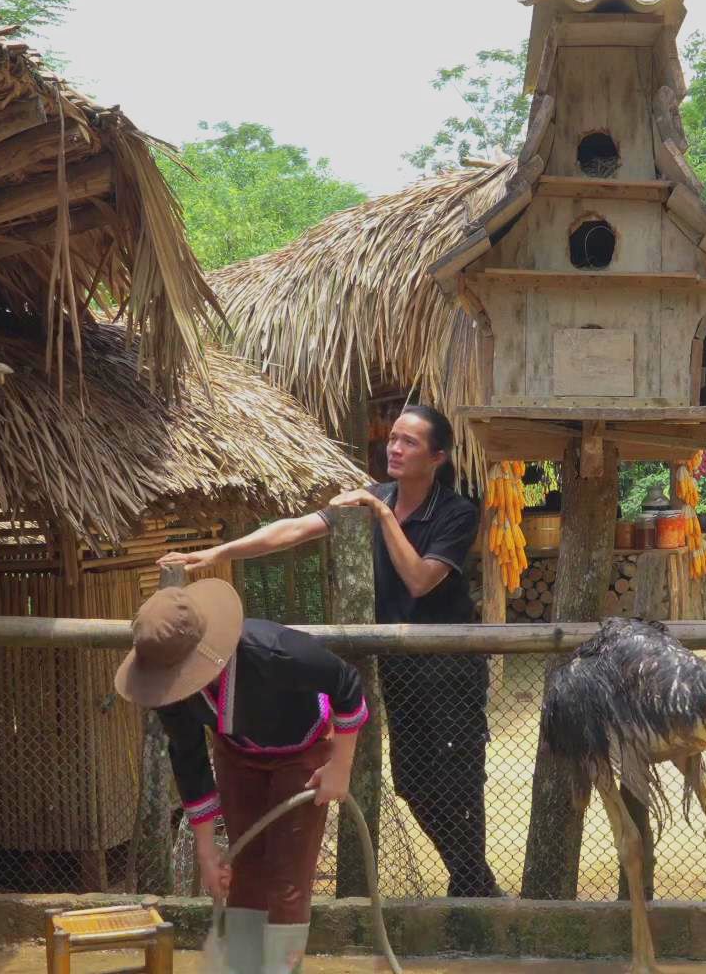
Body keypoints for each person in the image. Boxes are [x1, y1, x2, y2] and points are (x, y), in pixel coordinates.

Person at [163, 403, 501, 897]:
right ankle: (472, 878)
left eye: (409, 441)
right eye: (394, 438)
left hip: (450, 668)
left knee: (458, 779)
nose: (395, 446)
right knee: (412, 781)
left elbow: (420, 580)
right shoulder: (372, 496)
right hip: (401, 667)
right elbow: (295, 528)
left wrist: (383, 513)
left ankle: (472, 883)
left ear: (437, 457)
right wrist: (218, 553)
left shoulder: (454, 512)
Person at [114, 577, 368, 973]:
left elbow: (348, 684)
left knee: (288, 877)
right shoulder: (170, 691)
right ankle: (244, 967)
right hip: (236, 753)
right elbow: (189, 757)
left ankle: (282, 969)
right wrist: (205, 849)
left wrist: (340, 765)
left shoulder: (273, 651)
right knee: (245, 868)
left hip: (302, 751)